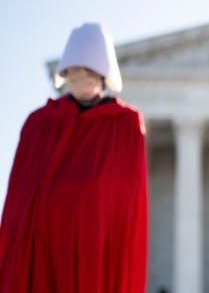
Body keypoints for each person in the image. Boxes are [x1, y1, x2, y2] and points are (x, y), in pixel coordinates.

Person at [0, 23, 148, 292]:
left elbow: (127, 204)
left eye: (87, 71)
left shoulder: (124, 124)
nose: (79, 77)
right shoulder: (39, 124)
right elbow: (17, 204)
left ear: (101, 75)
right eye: (73, 71)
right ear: (64, 74)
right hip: (42, 250)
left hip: (93, 249)